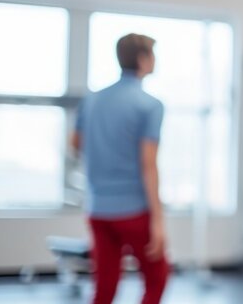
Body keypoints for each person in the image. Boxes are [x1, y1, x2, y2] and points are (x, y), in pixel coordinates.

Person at [71, 33, 169, 304]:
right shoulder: (150, 105)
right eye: (153, 55)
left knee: (104, 286)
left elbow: (75, 144)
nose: (155, 61)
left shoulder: (92, 100)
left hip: (98, 208)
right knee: (157, 276)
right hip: (134, 210)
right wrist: (158, 221)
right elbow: (148, 165)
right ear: (142, 59)